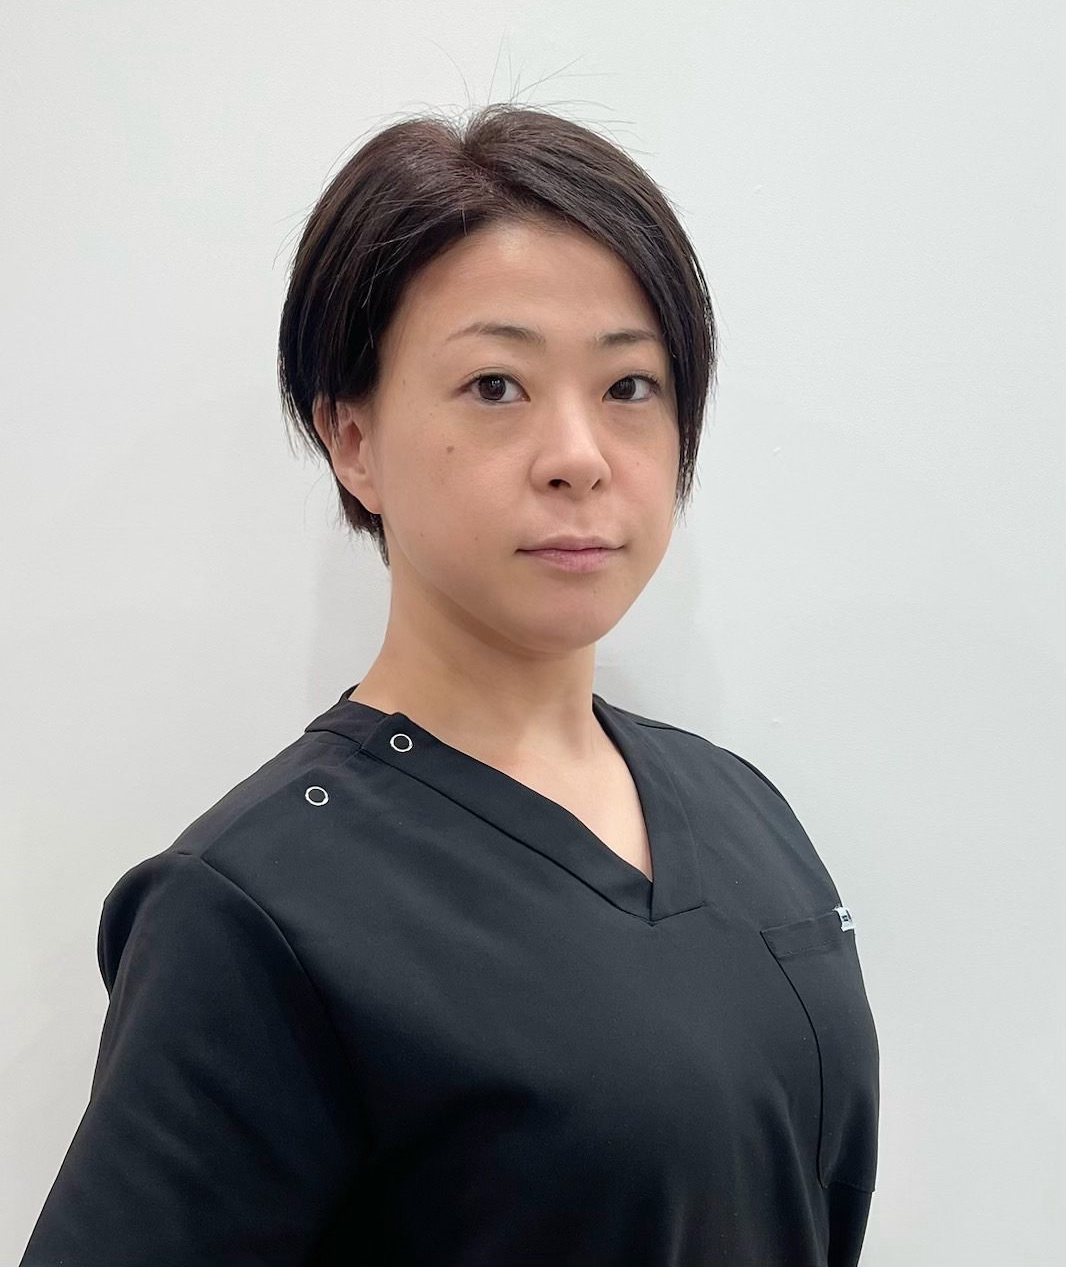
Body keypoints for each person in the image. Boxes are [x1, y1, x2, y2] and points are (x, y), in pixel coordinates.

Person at [20, 103, 879, 1266]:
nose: (578, 456)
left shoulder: (743, 812)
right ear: (351, 438)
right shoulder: (254, 910)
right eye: (494, 385)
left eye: (630, 385)